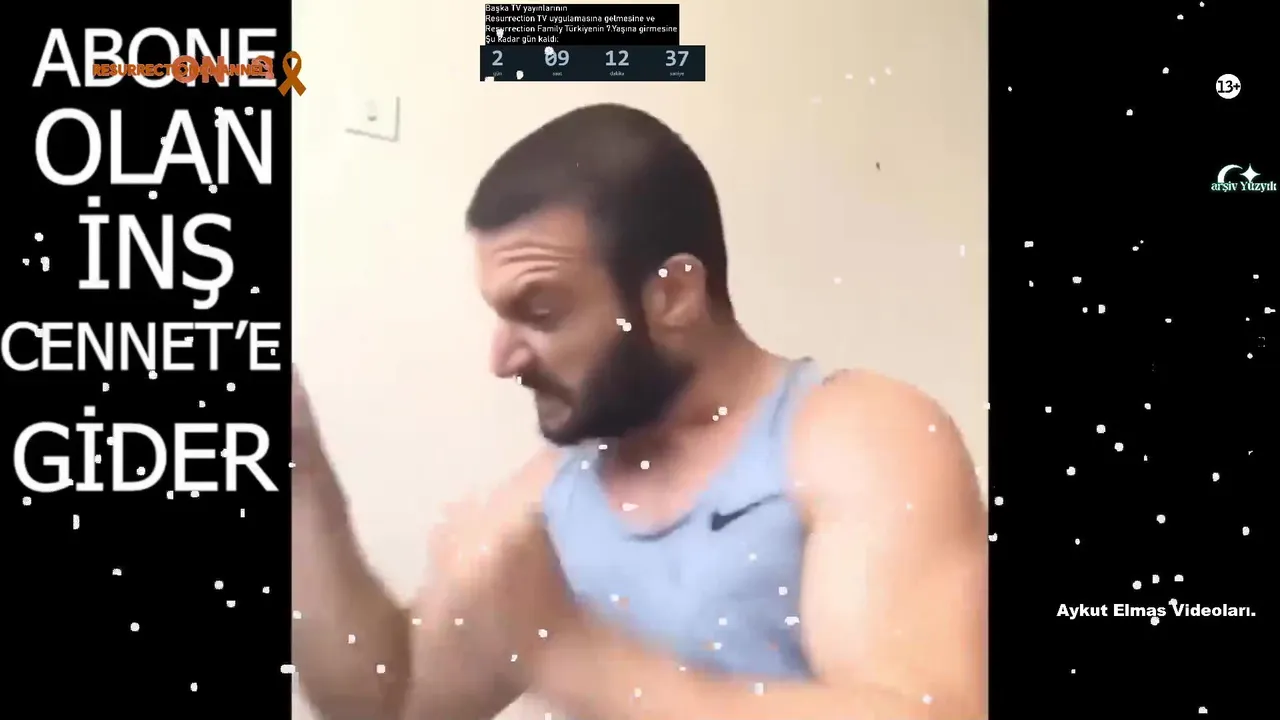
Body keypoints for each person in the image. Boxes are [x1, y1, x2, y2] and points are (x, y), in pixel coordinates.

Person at [291, 103, 987, 720]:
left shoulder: (860, 434)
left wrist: (569, 652)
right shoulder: (556, 491)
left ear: (674, 295)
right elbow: (387, 705)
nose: (502, 359)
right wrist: (300, 473)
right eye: (501, 316)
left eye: (541, 312)